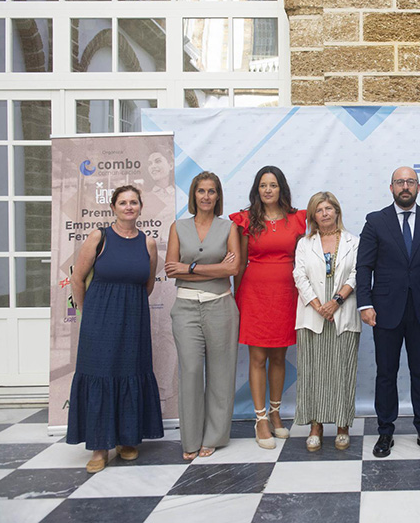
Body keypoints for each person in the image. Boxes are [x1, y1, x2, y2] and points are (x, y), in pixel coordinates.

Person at [356, 166, 420, 458]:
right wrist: (365, 303)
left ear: (418, 187)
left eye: (410, 182)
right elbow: (364, 267)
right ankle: (385, 432)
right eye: (400, 182)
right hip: (385, 310)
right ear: (391, 188)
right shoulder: (375, 221)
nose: (405, 186)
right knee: (386, 373)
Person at [67, 185, 163, 473]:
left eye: (134, 202)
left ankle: (128, 440)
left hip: (134, 318)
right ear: (113, 207)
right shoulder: (99, 236)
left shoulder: (148, 243)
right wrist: (89, 312)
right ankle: (99, 447)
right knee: (101, 374)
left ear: (140, 207)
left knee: (130, 373)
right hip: (99, 320)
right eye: (123, 202)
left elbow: (147, 285)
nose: (129, 207)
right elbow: (77, 278)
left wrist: (127, 306)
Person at [165, 172, 241, 460]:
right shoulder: (178, 227)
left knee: (221, 374)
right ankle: (191, 439)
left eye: (212, 191)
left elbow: (232, 270)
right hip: (185, 309)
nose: (206, 196)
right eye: (201, 191)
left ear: (218, 196)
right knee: (192, 372)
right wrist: (211, 268)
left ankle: (215, 437)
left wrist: (191, 268)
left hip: (220, 306)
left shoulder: (228, 227)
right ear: (193, 195)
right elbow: (171, 268)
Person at [230, 166, 306, 449]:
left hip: (287, 293)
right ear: (257, 189)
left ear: (281, 187)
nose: (268, 190)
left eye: (273, 185)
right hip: (254, 293)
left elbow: (303, 259)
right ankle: (259, 418)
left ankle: (276, 414)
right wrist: (237, 298)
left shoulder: (297, 219)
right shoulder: (247, 219)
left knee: (279, 356)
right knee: (257, 357)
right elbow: (239, 263)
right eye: (263, 185)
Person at [293, 192, 362, 451]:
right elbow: (299, 275)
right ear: (313, 215)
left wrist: (336, 302)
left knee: (342, 370)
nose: (324, 213)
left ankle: (343, 426)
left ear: (337, 211)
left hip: (343, 313)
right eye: (319, 209)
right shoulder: (304, 243)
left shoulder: (354, 242)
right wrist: (318, 305)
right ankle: (315, 426)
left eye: (329, 208)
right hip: (313, 315)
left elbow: (357, 274)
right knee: (313, 372)